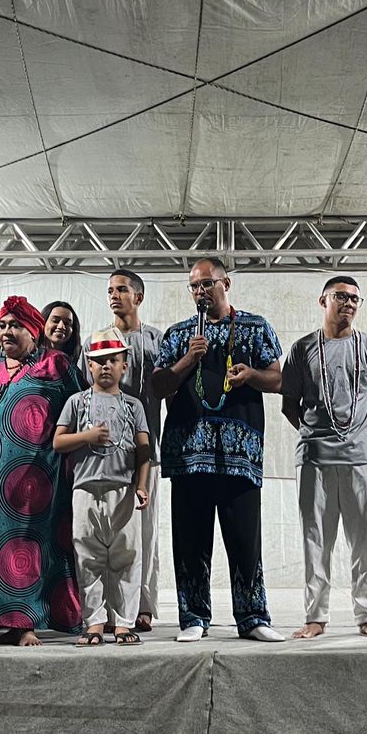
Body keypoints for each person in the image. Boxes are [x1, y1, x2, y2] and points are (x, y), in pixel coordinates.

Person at [151, 256, 286, 643]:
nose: (200, 291)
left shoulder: (255, 327)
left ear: (226, 284)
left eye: (207, 283)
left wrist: (251, 375)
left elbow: (278, 380)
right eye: (194, 286)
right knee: (191, 542)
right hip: (188, 456)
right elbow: (158, 386)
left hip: (239, 455)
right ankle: (194, 617)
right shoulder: (179, 334)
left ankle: (253, 617)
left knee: (245, 540)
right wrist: (187, 361)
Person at [0, 295, 86, 647]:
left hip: (37, 473)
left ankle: (25, 622)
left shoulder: (55, 364)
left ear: (33, 331)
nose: (6, 332)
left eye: (15, 325)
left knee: (26, 546)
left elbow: (81, 407)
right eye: (2, 325)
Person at [281, 275, 367, 639]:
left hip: (361, 456)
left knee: (366, 542)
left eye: (355, 299)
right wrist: (314, 433)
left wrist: (360, 431)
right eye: (341, 296)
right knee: (315, 541)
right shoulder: (302, 349)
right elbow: (289, 404)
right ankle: (315, 616)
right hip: (315, 458)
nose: (349, 303)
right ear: (323, 301)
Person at [54, 329, 151, 646]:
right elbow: (58, 442)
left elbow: (144, 450)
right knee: (88, 557)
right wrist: (87, 437)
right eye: (99, 361)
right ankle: (94, 622)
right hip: (85, 490)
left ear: (124, 365)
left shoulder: (134, 406)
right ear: (89, 365)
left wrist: (141, 485)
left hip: (122, 491)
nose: (106, 366)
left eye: (113, 360)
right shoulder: (76, 402)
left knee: (126, 557)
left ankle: (123, 622)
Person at [106, 268, 163, 633]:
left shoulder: (157, 340)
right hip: (107, 454)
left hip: (147, 450)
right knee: (112, 534)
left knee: (146, 532)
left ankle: (143, 605)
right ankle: (112, 607)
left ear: (138, 297)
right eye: (110, 290)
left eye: (122, 289)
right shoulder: (98, 340)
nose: (114, 295)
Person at [42, 301, 83, 370]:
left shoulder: (81, 356)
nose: (61, 326)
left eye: (67, 323)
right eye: (55, 321)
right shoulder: (30, 354)